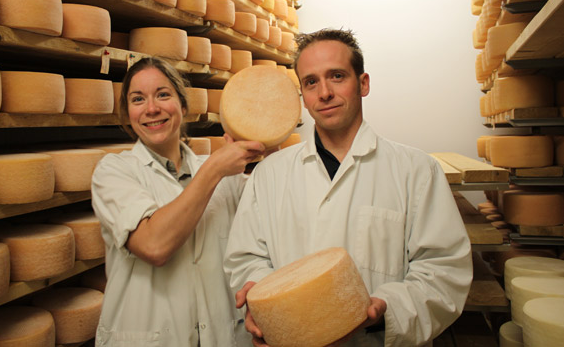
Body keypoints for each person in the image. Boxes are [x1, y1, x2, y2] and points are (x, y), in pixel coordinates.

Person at [224, 28, 473, 347]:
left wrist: (386, 307)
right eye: (311, 82)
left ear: (363, 83)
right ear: (302, 94)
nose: (324, 92)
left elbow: (443, 272)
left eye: (337, 76)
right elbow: (246, 257)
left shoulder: (416, 171)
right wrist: (261, 294)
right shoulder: (268, 174)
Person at [91, 57, 265, 346]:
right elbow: (154, 246)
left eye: (163, 94)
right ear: (127, 114)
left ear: (183, 107)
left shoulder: (229, 179)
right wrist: (214, 169)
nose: (152, 108)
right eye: (138, 99)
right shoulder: (113, 172)